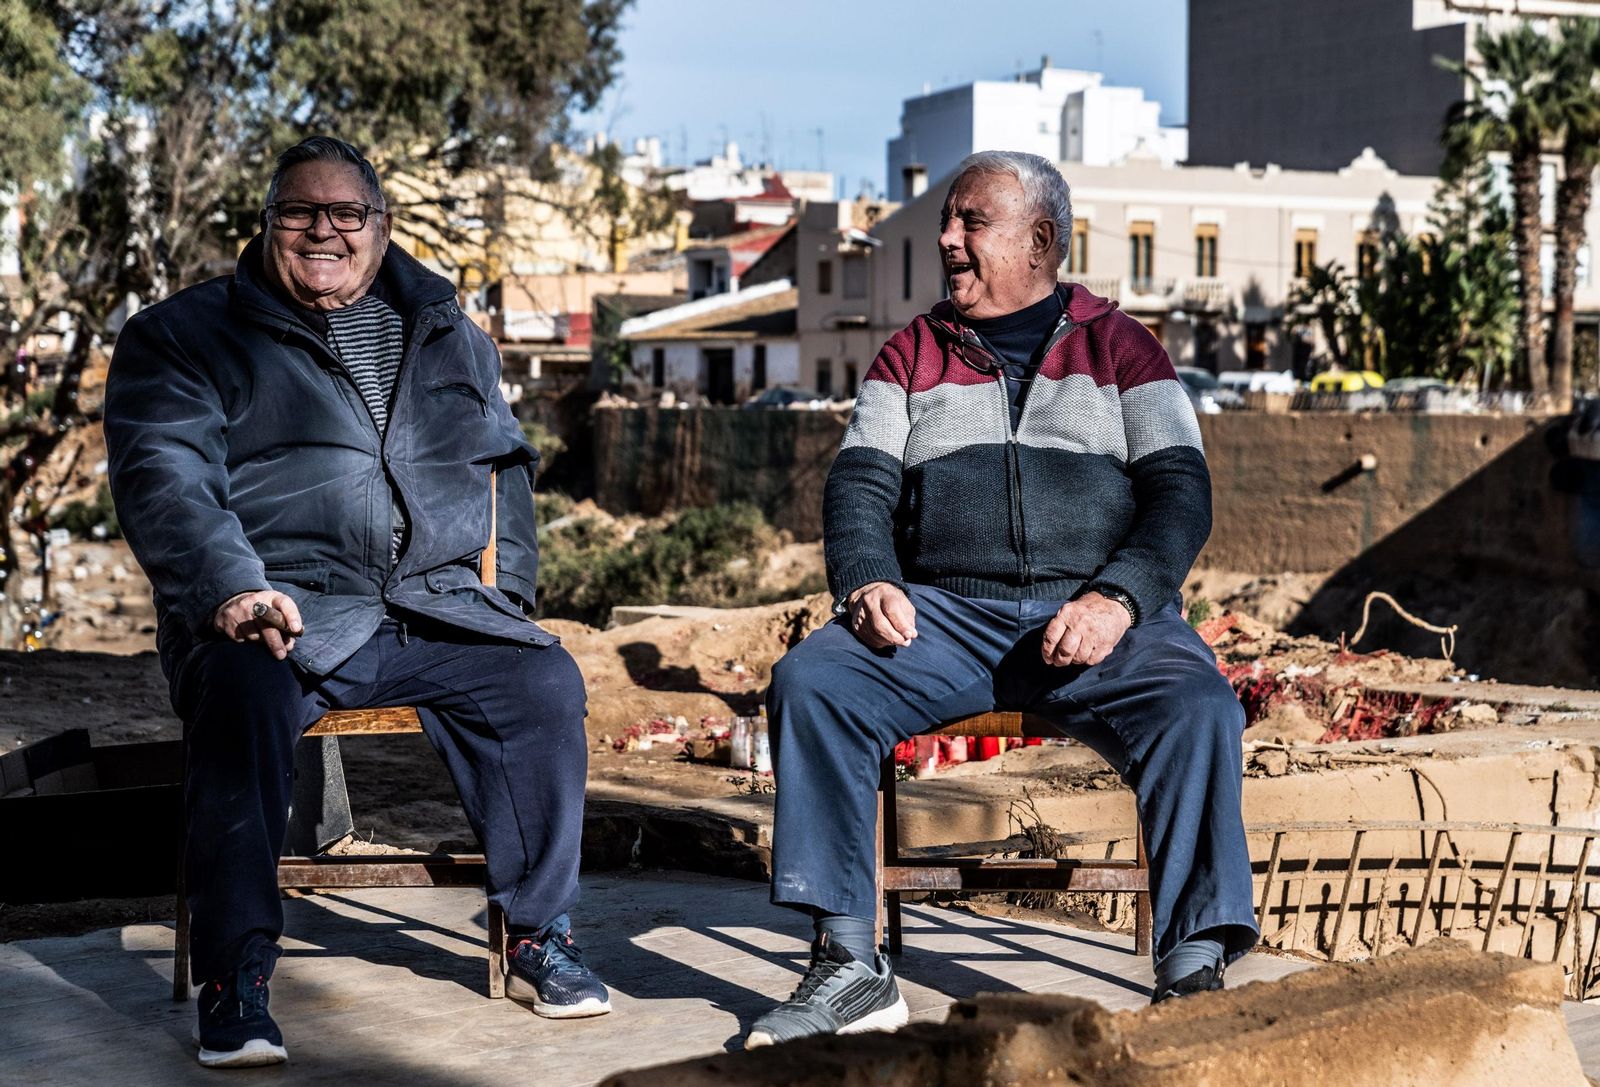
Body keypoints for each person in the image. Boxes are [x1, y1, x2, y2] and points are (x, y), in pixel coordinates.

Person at [105, 136, 608, 1069]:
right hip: (276, 608)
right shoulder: (181, 334)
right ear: (267, 223)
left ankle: (540, 933)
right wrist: (231, 588)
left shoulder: (448, 329)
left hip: (435, 605)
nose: (323, 231)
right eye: (300, 212)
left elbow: (506, 467)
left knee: (542, 684)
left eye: (347, 214)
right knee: (243, 698)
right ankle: (236, 974)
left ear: (382, 225)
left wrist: (512, 597)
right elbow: (164, 475)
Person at [746, 150, 1258, 1048]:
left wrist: (1119, 599)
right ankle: (849, 965)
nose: (948, 238)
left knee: (1198, 705)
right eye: (948, 220)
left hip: (1099, 615)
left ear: (1040, 240)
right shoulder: (910, 352)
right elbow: (858, 484)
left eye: (971, 221)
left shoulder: (1125, 348)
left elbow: (1182, 493)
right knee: (815, 683)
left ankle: (1191, 967)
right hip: (944, 616)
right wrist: (866, 578)